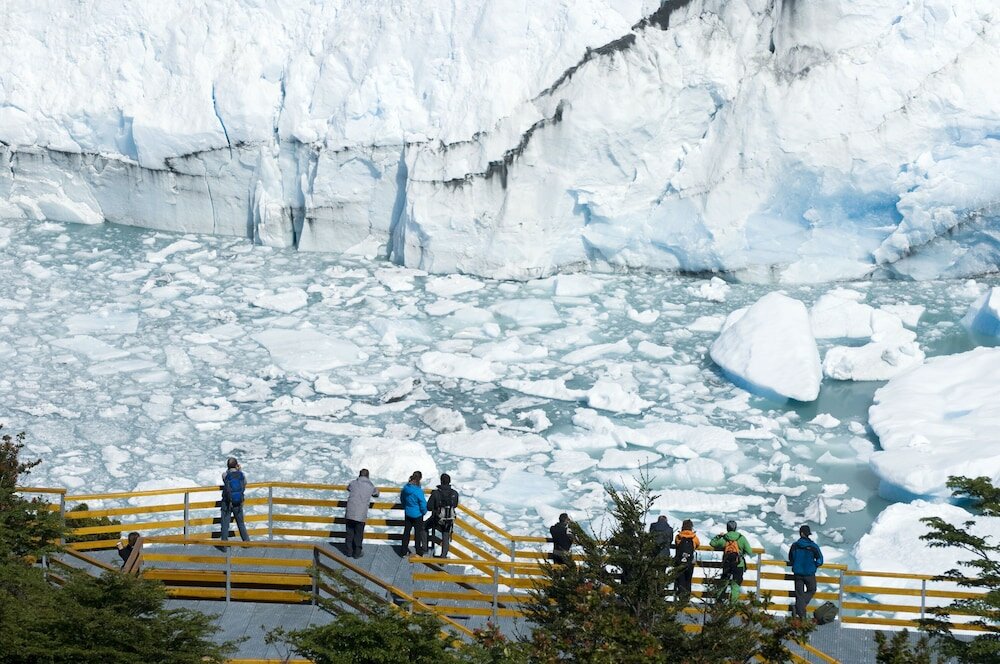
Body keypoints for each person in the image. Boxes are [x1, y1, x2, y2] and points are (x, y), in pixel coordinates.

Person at [710, 520, 752, 602]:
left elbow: (712, 543)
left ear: (727, 528)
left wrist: (718, 536)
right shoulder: (741, 538)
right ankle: (732, 606)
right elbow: (749, 551)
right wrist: (741, 554)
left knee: (723, 584)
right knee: (735, 586)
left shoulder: (725, 538)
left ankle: (718, 603)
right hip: (738, 564)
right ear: (735, 528)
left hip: (727, 564)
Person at [789, 524, 824, 619]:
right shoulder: (813, 546)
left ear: (800, 533)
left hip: (798, 574)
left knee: (799, 594)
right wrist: (814, 565)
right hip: (809, 574)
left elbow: (791, 558)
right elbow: (820, 560)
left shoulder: (795, 546)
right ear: (808, 534)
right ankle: (800, 612)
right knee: (812, 590)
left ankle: (801, 614)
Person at [344, 469, 380, 558]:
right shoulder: (370, 486)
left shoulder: (353, 483)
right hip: (361, 514)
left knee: (349, 532)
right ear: (368, 476)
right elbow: (376, 494)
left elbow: (348, 488)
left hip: (350, 512)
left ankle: (349, 551)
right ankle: (357, 553)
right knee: (358, 534)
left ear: (359, 475)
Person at [426, 473, 460, 558]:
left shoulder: (436, 493)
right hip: (448, 520)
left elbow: (429, 507)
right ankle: (443, 556)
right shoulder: (455, 493)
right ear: (449, 482)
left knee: (423, 527)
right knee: (446, 535)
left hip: (437, 519)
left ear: (441, 481)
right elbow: (455, 505)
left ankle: (425, 549)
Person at [220, 457, 249, 545]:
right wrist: (239, 470)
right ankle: (246, 542)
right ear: (236, 465)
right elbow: (245, 483)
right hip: (238, 502)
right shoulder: (241, 475)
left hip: (227, 503)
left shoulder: (225, 475)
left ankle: (224, 544)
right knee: (240, 523)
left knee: (225, 524)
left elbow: (225, 478)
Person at [400, 471, 427, 556]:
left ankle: (403, 550)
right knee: (417, 533)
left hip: (408, 513)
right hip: (417, 515)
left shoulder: (405, 488)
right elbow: (422, 503)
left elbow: (402, 498)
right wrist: (424, 511)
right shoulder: (418, 491)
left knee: (406, 532)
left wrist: (406, 506)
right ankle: (418, 550)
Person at [674, 519, 700, 596]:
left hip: (680, 561)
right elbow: (698, 544)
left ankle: (681, 597)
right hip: (690, 562)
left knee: (680, 580)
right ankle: (687, 598)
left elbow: (676, 543)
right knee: (688, 580)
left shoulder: (679, 537)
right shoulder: (694, 537)